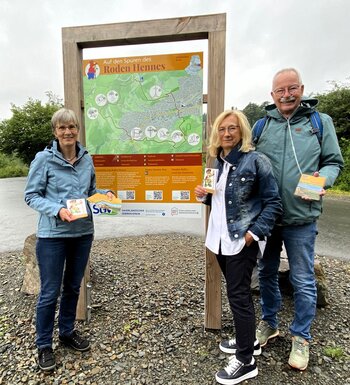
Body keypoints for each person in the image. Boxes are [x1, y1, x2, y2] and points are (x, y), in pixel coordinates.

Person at [254, 68, 344, 371]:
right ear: (272, 95)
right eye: (280, 90)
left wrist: (324, 179)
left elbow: (334, 162)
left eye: (292, 88)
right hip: (267, 219)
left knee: (303, 280)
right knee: (265, 272)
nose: (286, 95)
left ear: (301, 89)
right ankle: (269, 323)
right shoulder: (261, 126)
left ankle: (301, 336)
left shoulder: (320, 123)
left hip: (302, 218)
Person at [194, 110, 282, 385]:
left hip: (239, 241)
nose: (227, 134)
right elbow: (222, 201)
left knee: (239, 296)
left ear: (242, 132)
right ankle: (249, 343)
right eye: (222, 129)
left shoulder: (256, 161)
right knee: (238, 294)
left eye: (233, 128)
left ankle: (246, 361)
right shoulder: (216, 162)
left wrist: (253, 234)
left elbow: (273, 204)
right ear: (216, 134)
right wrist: (204, 198)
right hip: (218, 240)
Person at [24, 108, 115, 371]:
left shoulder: (86, 158)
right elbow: (31, 195)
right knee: (49, 292)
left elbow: (90, 191)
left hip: (83, 233)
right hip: (53, 235)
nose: (68, 132)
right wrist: (57, 209)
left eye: (72, 127)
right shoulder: (43, 159)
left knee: (73, 287)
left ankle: (66, 332)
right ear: (55, 132)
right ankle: (43, 345)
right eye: (62, 128)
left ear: (77, 130)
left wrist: (104, 194)